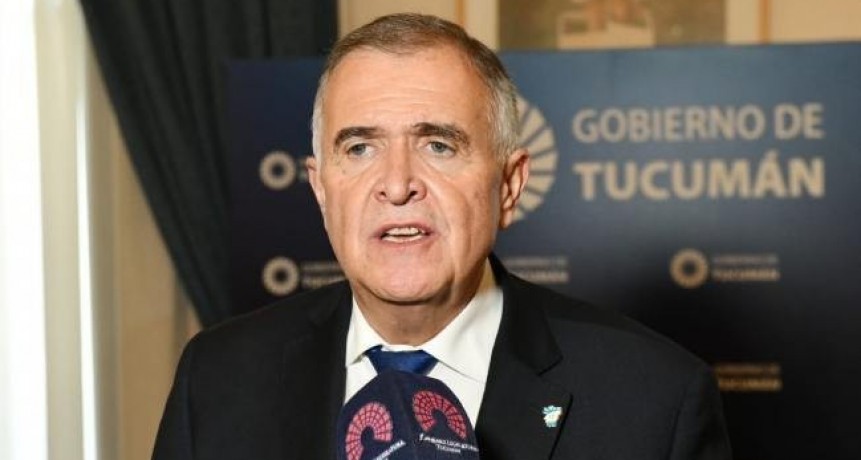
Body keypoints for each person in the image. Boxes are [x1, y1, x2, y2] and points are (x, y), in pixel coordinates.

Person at [153, 13, 731, 459]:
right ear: (322, 189)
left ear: (509, 185)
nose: (397, 184)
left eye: (438, 145)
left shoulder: (655, 401)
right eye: (360, 148)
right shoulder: (219, 378)